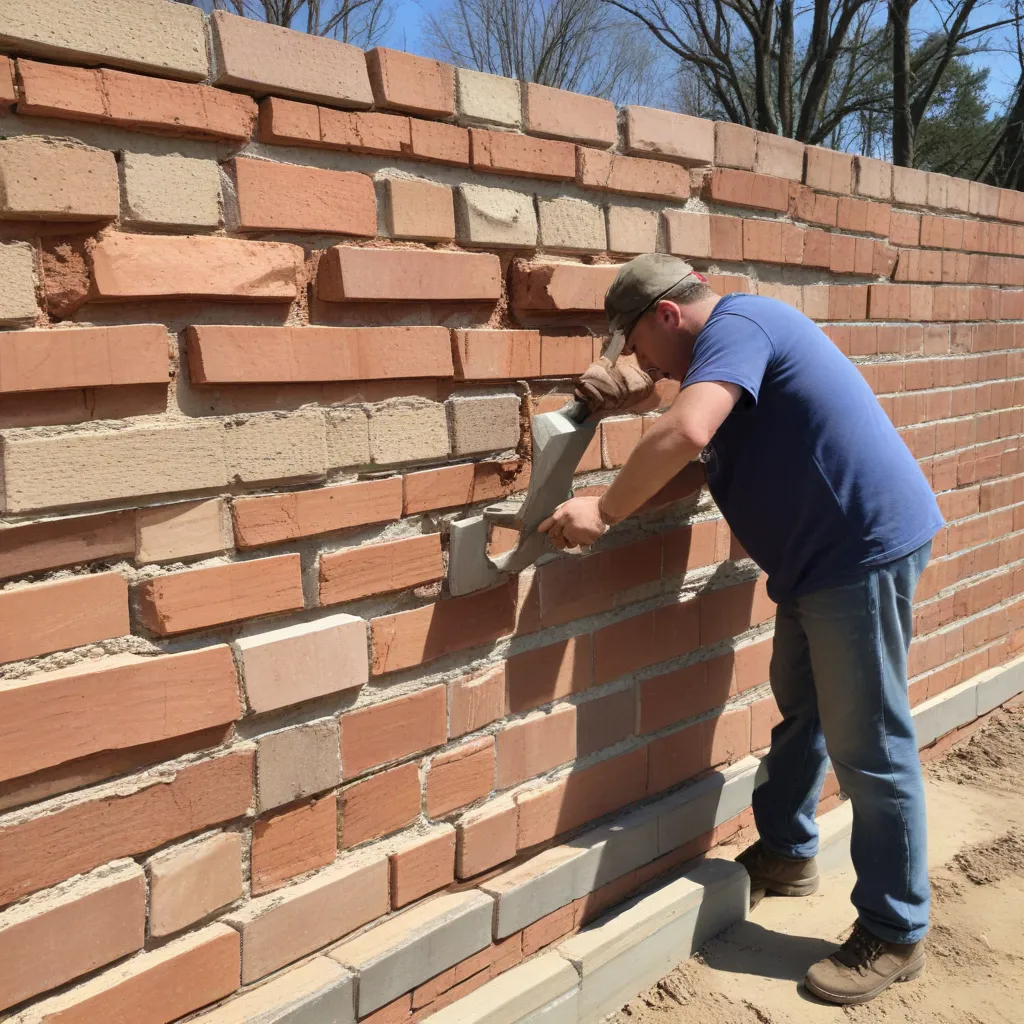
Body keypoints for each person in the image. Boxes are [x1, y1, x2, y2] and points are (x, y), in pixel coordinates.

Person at [539, 253, 944, 1007]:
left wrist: (604, 510)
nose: (642, 367)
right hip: (815, 562)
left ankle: (895, 930)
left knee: (869, 746)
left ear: (666, 315)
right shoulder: (729, 354)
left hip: (859, 550)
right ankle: (789, 853)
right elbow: (699, 461)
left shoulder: (740, 324)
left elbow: (688, 431)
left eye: (636, 347)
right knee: (803, 712)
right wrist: (611, 484)